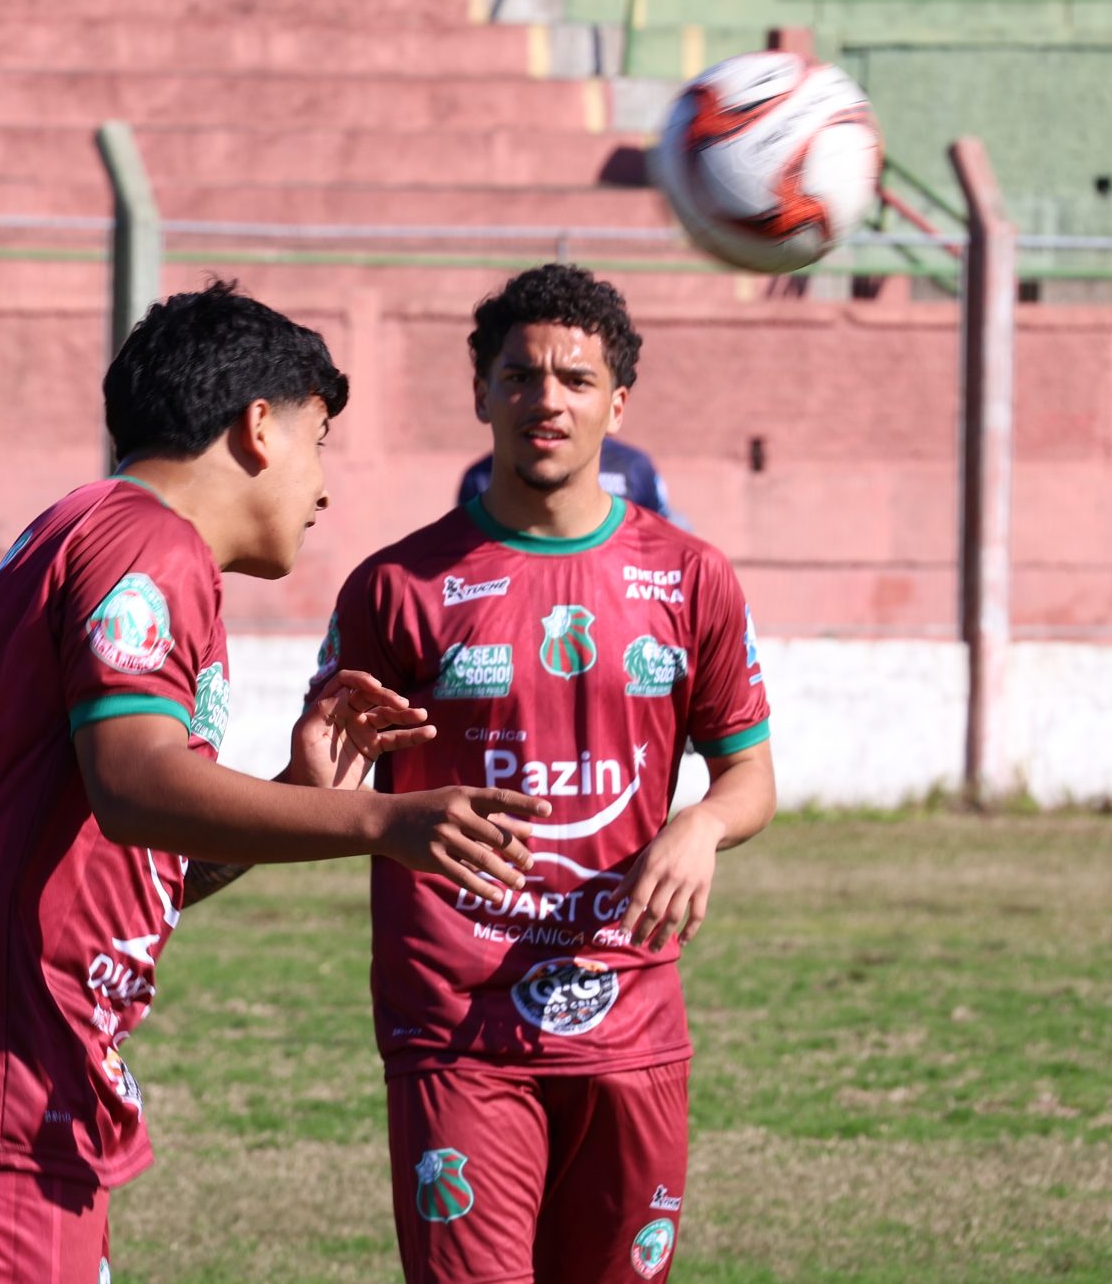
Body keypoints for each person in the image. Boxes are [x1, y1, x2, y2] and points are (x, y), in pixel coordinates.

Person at [0, 282, 552, 1284]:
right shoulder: (147, 542)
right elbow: (133, 785)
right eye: (320, 439)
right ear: (258, 427)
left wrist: (296, 790)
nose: (324, 486)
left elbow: (123, 848)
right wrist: (379, 816)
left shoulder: (82, 530)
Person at [318, 263, 778, 1284]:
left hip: (630, 1012)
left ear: (617, 402)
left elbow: (750, 776)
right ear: (480, 391)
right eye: (520, 376)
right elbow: (330, 790)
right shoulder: (398, 588)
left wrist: (699, 827)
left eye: (575, 380)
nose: (546, 400)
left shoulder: (691, 577)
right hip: (457, 1020)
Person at [458, 434, 686, 527]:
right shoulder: (480, 476)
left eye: (577, 383)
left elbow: (660, 533)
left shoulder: (635, 465)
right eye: (521, 379)